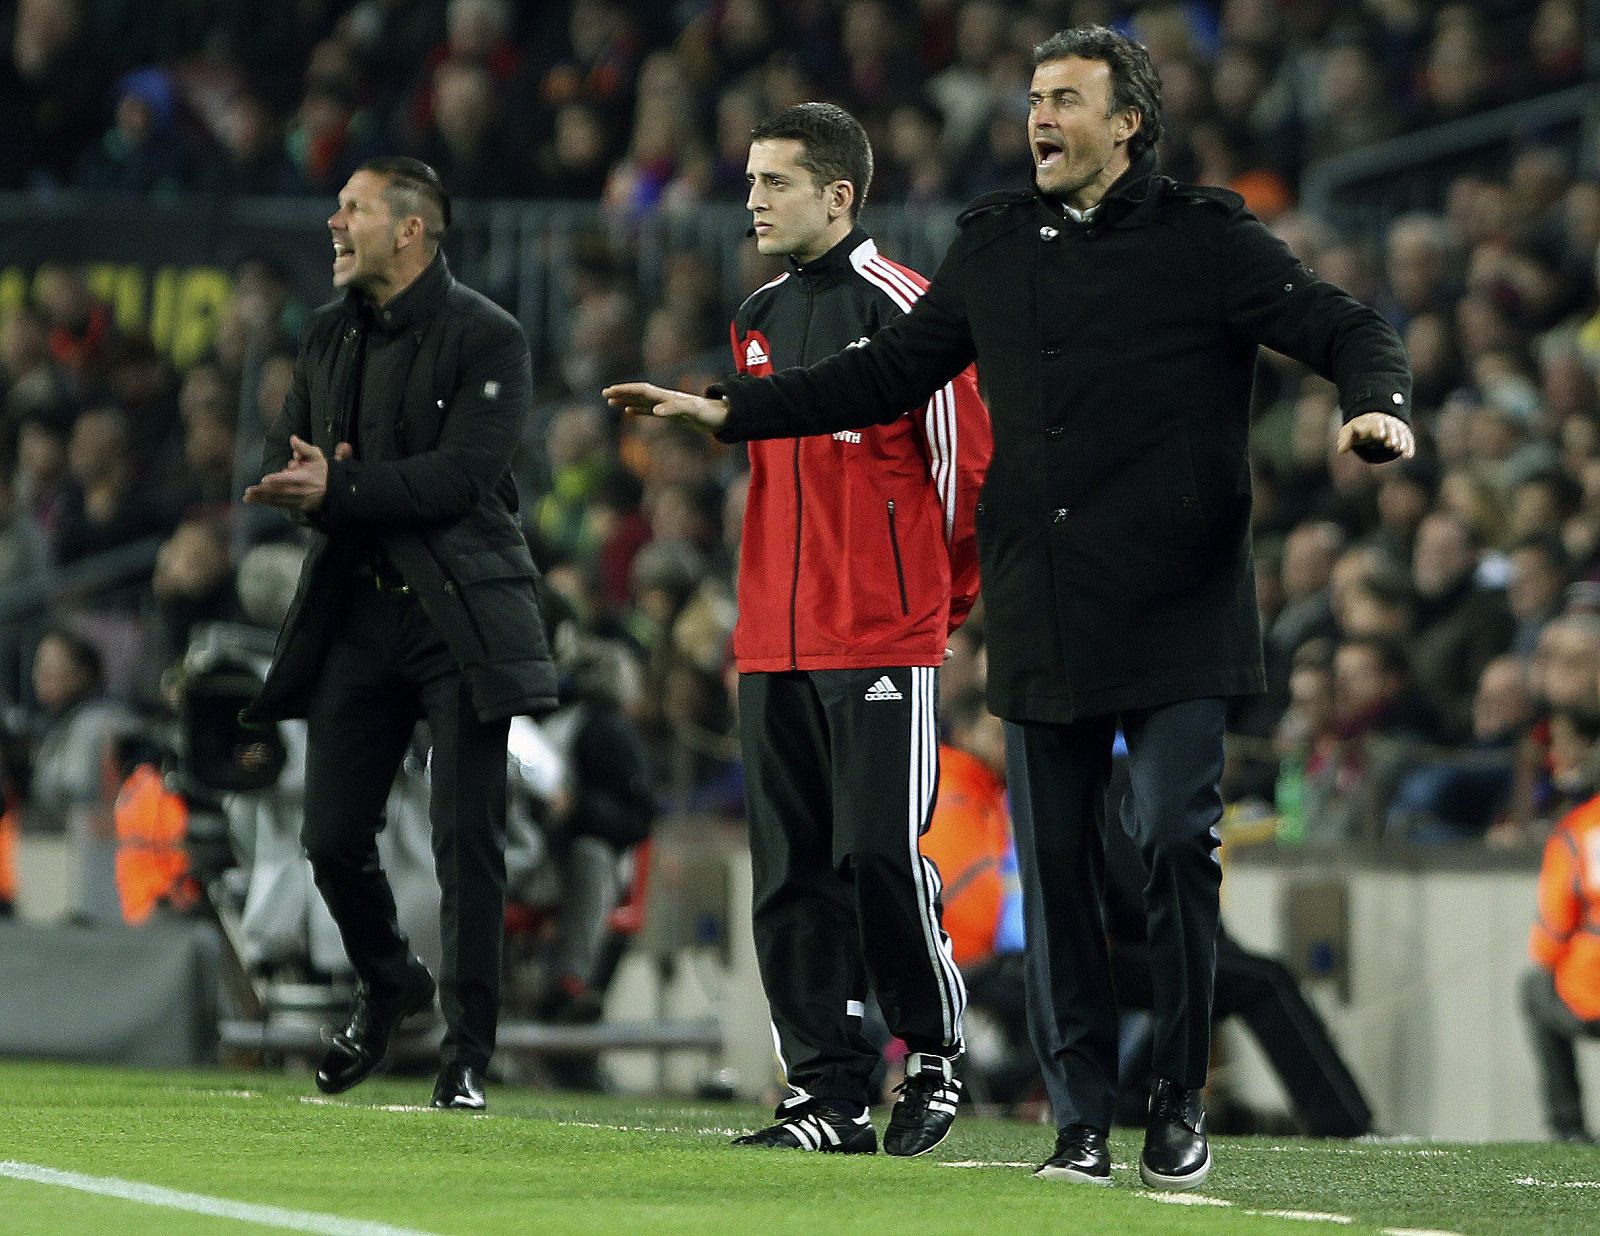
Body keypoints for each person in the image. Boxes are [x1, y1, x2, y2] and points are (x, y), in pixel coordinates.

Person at [606, 27, 1414, 1188]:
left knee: (1178, 842)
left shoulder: (1207, 237)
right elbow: (886, 376)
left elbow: (1341, 323)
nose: (1038, 117)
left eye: (1065, 100)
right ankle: (1081, 1119)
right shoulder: (993, 244)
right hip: (1046, 607)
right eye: (1033, 98)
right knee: (1062, 865)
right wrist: (730, 413)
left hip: (1180, 601)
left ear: (1127, 122)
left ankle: (1176, 1095)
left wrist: (1374, 401)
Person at [242, 156, 555, 1111]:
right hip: (359, 614)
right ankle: (390, 981)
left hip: (461, 616)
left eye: (353, 209)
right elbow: (290, 458)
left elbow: (462, 479)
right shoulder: (328, 335)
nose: (334, 223)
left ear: (411, 229)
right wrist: (314, 486)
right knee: (331, 837)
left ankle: (465, 1053)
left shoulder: (488, 338)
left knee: (468, 838)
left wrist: (343, 486)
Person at [714, 102, 994, 1157]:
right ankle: (822, 1093)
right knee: (789, 874)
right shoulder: (756, 315)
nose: (751, 201)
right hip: (773, 640)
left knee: (878, 852)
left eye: (772, 182)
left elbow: (966, 474)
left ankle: (929, 1055)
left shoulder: (910, 308)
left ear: (837, 195)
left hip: (879, 632)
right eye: (748, 181)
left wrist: (933, 610)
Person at [1523, 787, 1600, 1142]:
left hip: (1590, 994)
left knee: (1533, 989)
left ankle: (1568, 1128)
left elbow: (1548, 944)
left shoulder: (1579, 828)